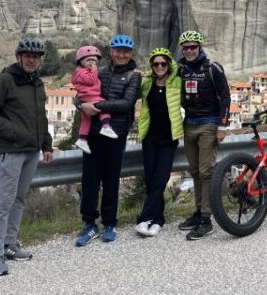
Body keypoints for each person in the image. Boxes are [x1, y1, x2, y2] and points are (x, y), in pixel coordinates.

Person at [0, 37, 54, 276]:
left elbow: (40, 116)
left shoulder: (37, 84)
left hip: (32, 151)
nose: (32, 60)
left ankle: (10, 245)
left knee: (18, 199)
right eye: (27, 55)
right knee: (3, 202)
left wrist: (47, 144)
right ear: (19, 57)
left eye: (36, 56)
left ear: (40, 60)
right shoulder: (5, 80)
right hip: (10, 151)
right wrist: (12, 132)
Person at [75, 34, 140, 246]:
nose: (121, 54)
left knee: (111, 180)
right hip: (94, 132)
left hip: (116, 133)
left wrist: (95, 107)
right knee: (90, 179)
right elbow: (81, 93)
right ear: (111, 51)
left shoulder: (134, 75)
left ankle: (110, 223)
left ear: (130, 54)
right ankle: (89, 224)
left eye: (126, 51)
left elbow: (126, 103)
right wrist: (79, 104)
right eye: (117, 50)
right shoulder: (99, 71)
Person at [176, 30, 230, 241]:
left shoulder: (212, 68)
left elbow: (225, 96)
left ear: (199, 47)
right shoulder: (181, 69)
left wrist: (223, 125)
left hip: (208, 124)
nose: (189, 51)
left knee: (206, 172)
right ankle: (198, 212)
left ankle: (206, 220)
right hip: (188, 125)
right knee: (195, 171)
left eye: (193, 47)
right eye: (186, 47)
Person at [135, 47, 183, 237]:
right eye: (156, 64)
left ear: (169, 65)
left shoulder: (177, 82)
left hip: (168, 140)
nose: (160, 66)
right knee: (151, 180)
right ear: (152, 66)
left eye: (164, 63)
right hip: (149, 138)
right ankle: (158, 219)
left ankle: (143, 219)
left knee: (160, 180)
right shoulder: (147, 83)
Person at [71, 45, 118, 154]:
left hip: (87, 96)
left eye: (94, 60)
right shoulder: (81, 72)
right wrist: (94, 70)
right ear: (81, 61)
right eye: (89, 60)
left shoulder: (85, 71)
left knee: (86, 119)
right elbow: (91, 80)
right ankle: (106, 126)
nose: (92, 63)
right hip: (90, 96)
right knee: (103, 106)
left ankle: (82, 139)